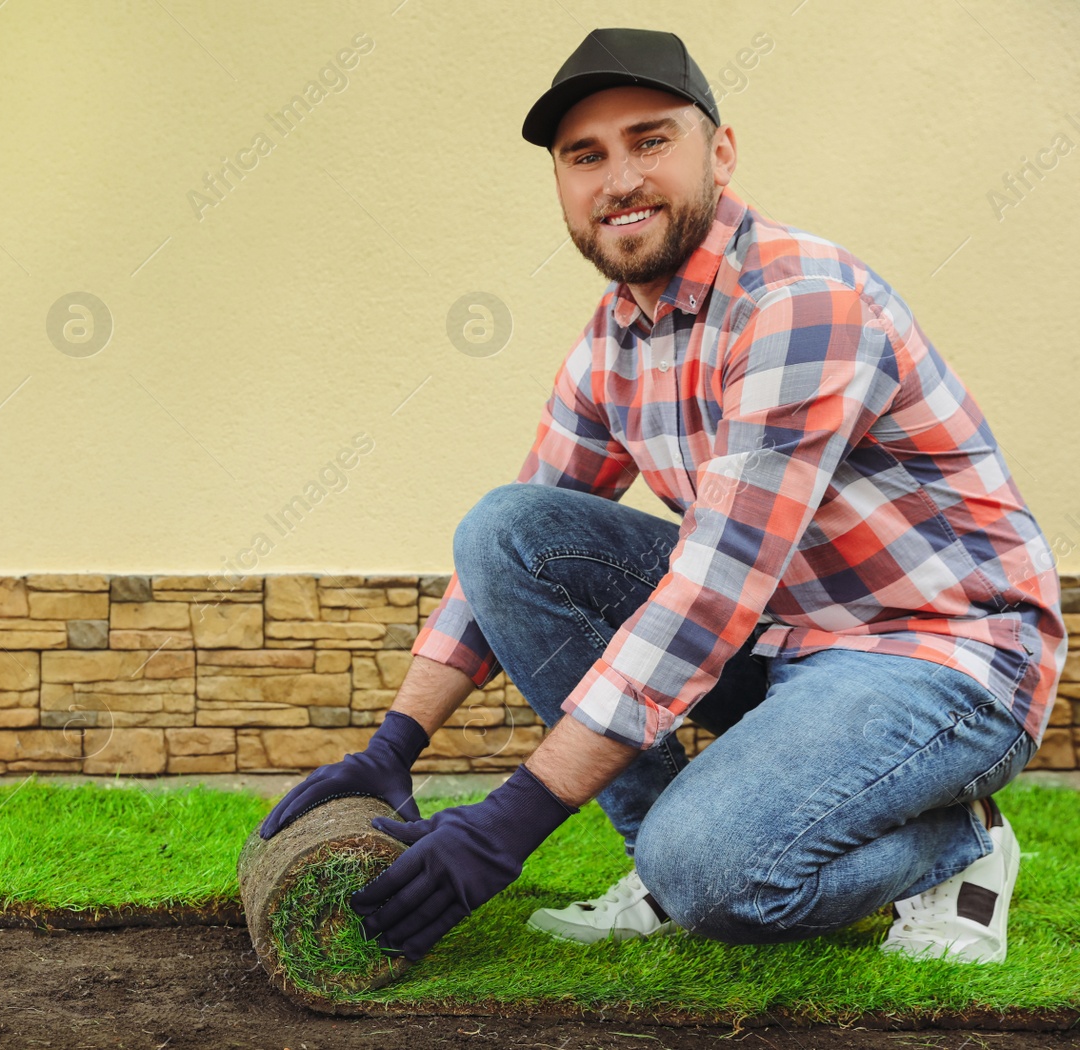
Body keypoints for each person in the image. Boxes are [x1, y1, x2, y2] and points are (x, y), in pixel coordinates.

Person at [257, 27, 1065, 967]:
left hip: (941, 657)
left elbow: (713, 586)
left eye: (650, 141)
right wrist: (395, 744)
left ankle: (958, 842)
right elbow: (507, 558)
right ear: (561, 183)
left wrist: (508, 822)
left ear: (720, 153)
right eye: (585, 156)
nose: (619, 179)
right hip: (784, 641)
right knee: (507, 532)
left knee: (715, 877)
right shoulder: (613, 342)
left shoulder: (800, 303)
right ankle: (657, 858)